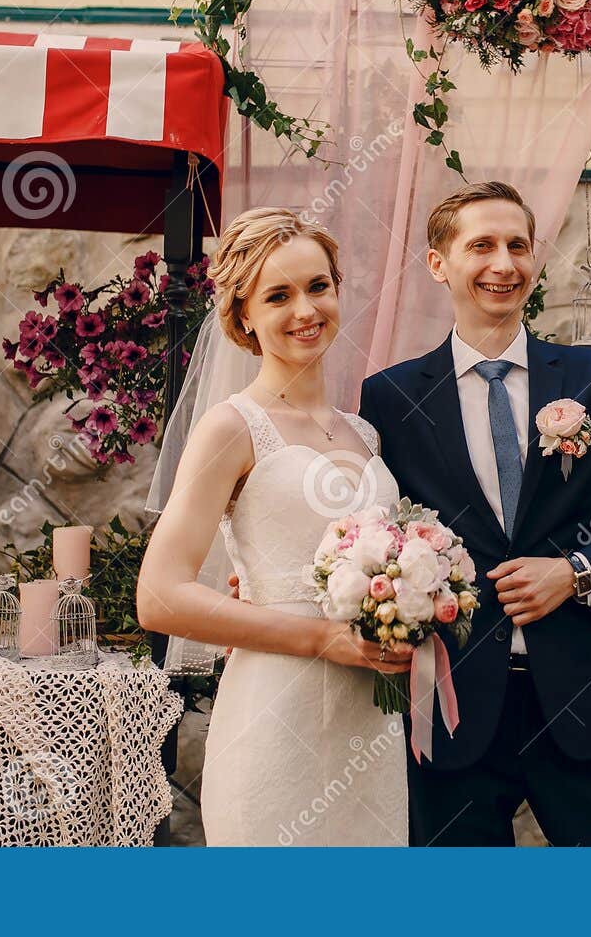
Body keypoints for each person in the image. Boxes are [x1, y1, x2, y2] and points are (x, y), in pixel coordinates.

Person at [360, 180, 591, 846]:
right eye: (481, 245)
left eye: (518, 245)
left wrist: (575, 570)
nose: (504, 263)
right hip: (450, 714)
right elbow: (372, 538)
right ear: (439, 263)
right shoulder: (390, 398)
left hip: (580, 705)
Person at [137, 207, 409, 846]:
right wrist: (323, 639)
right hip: (273, 715)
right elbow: (158, 595)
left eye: (318, 286)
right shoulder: (231, 427)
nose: (306, 310)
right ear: (242, 316)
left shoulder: (364, 433)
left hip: (369, 725)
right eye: (278, 295)